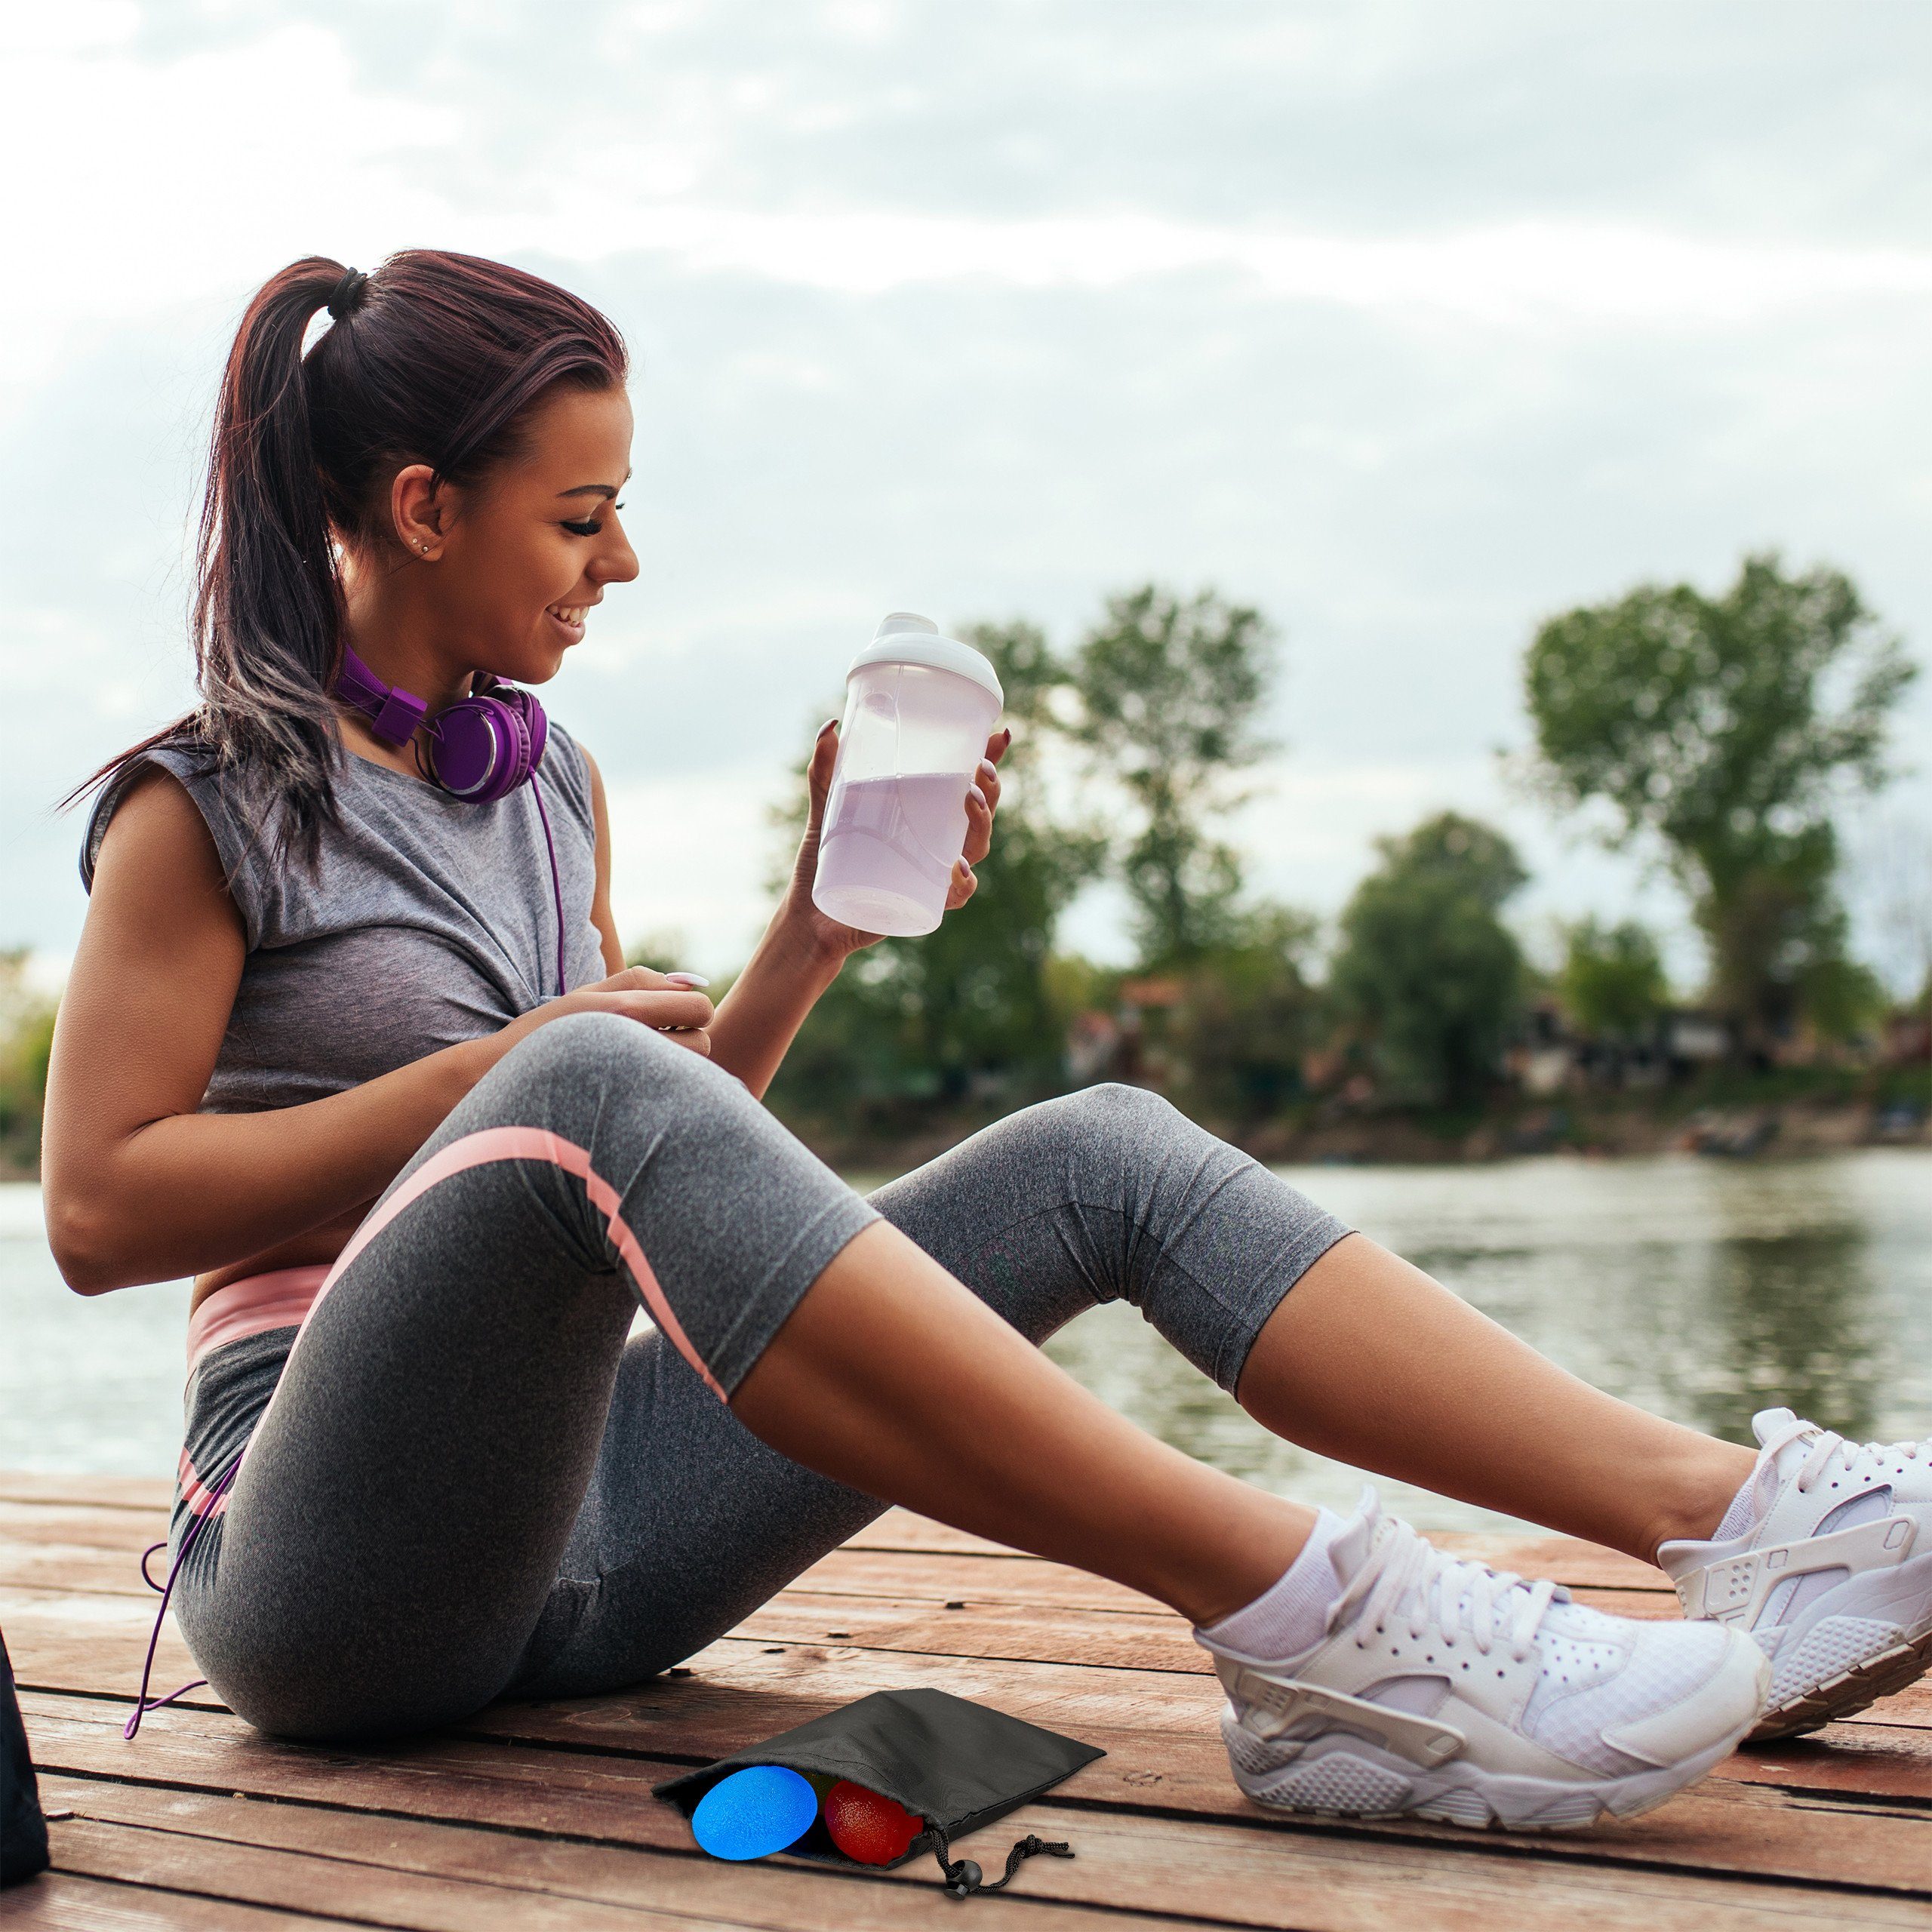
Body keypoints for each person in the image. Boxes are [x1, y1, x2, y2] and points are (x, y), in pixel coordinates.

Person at [42, 251, 1932, 1835]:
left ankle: (1745, 1523)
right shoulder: (201, 809)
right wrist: (486, 1076)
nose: (621, 566)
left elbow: (638, 1182)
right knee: (577, 1078)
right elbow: (98, 1211)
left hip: (595, 1527)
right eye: (583, 515)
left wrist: (809, 930)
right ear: (420, 503)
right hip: (321, 1568)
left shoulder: (551, 792)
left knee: (1093, 1143)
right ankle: (1314, 1621)